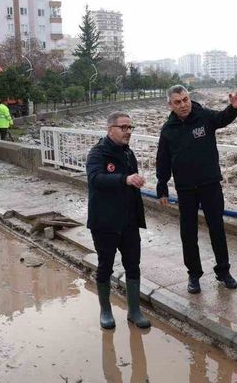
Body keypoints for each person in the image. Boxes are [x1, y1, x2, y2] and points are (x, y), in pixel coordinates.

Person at [156, 86, 237, 294]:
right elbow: (163, 160)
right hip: (185, 189)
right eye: (178, 102)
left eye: (185, 100)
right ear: (170, 105)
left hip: (210, 185)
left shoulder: (204, 117)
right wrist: (162, 187)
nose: (183, 105)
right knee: (188, 233)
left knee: (217, 229)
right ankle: (194, 275)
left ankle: (224, 271)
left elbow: (222, 118)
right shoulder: (168, 130)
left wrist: (234, 108)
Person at [86, 112, 150, 330]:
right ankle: (105, 310)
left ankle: (134, 311)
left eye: (130, 128)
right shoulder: (97, 153)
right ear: (110, 129)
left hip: (129, 220)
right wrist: (125, 179)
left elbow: (131, 182)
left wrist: (136, 180)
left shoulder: (128, 153)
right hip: (105, 222)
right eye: (123, 127)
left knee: (133, 265)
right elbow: (96, 179)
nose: (128, 132)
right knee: (105, 265)